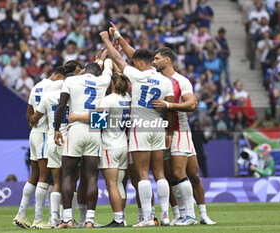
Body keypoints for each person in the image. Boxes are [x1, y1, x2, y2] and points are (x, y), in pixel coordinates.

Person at [100, 30, 175, 227]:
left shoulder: (136, 75)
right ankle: (165, 215)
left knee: (143, 173)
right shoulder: (165, 81)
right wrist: (169, 132)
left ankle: (149, 217)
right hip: (158, 127)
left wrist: (108, 40)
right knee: (159, 172)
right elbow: (170, 108)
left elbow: (117, 57)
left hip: (140, 128)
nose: (134, 64)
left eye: (135, 62)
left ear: (140, 63)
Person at [152, 47, 216, 225]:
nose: (154, 62)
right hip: (160, 132)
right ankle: (180, 214)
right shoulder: (153, 79)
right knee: (170, 175)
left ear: (167, 60)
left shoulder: (181, 81)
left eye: (157, 59)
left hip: (180, 131)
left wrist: (169, 105)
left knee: (192, 175)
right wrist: (117, 38)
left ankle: (200, 214)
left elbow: (191, 104)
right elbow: (136, 57)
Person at [12, 65, 74, 229]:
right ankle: (38, 218)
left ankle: (22, 214)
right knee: (46, 177)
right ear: (61, 78)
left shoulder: (37, 86)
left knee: (35, 176)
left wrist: (34, 130)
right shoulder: (57, 89)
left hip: (35, 134)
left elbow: (29, 114)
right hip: (47, 134)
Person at [54, 58, 112, 228]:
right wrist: (105, 58)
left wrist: (57, 128)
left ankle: (67, 219)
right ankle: (89, 220)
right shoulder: (102, 81)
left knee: (67, 174)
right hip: (94, 130)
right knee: (92, 176)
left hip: (76, 129)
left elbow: (62, 105)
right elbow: (108, 66)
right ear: (97, 72)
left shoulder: (71, 80)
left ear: (85, 70)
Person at [68, 73, 132, 227]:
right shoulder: (128, 98)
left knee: (111, 184)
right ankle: (122, 218)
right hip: (123, 143)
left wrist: (76, 117)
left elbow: (97, 122)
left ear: (112, 84)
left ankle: (118, 220)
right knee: (119, 184)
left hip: (110, 145)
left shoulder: (108, 100)